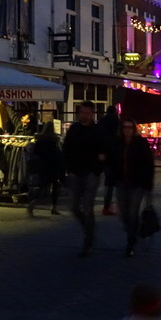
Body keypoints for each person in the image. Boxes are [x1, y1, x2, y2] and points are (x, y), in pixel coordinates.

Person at [63, 101, 108, 257]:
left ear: (92, 114)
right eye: (82, 112)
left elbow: (104, 151)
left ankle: (88, 240)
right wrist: (68, 168)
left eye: (87, 113)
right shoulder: (74, 129)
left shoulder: (97, 131)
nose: (84, 115)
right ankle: (89, 228)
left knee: (88, 207)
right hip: (75, 172)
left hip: (90, 174)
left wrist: (97, 169)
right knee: (74, 206)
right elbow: (66, 148)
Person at [107, 118, 155, 257]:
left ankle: (130, 242)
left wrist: (148, 184)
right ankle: (132, 231)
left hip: (137, 183)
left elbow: (148, 164)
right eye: (125, 127)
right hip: (121, 182)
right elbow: (112, 161)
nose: (127, 130)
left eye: (129, 127)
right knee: (123, 213)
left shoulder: (140, 143)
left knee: (133, 212)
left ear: (134, 129)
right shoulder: (117, 143)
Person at [27, 121, 64, 215]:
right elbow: (57, 155)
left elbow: (36, 152)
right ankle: (53, 207)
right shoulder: (54, 140)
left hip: (43, 166)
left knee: (43, 187)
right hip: (53, 166)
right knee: (54, 187)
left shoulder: (40, 139)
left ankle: (33, 203)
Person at [98, 105, 121, 215]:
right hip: (115, 153)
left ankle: (106, 204)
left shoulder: (102, 121)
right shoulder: (117, 121)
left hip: (103, 152)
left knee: (108, 181)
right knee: (115, 181)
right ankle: (112, 204)